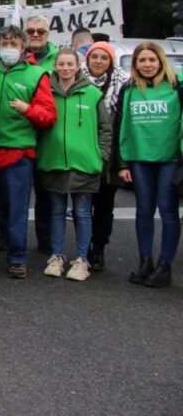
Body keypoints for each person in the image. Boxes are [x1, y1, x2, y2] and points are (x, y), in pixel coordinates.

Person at [0, 25, 57, 278]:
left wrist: (27, 110)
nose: (9, 48)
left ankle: (17, 258)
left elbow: (48, 116)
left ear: (23, 47)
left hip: (18, 153)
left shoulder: (37, 75)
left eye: (14, 44)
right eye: (5, 43)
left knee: (16, 211)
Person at [38, 49, 112, 282]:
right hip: (54, 160)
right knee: (57, 210)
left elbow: (105, 128)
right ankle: (57, 255)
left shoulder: (92, 93)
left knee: (82, 212)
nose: (66, 68)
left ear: (78, 65)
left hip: (85, 162)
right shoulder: (46, 91)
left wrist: (102, 155)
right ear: (56, 65)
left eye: (70, 64)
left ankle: (81, 259)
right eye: (61, 64)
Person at [116, 42, 183, 288]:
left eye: (151, 60)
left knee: (168, 211)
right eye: (142, 60)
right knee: (143, 211)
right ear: (135, 65)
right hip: (139, 159)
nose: (147, 65)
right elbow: (120, 126)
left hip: (170, 160)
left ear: (160, 61)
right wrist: (122, 163)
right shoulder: (129, 89)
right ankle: (146, 261)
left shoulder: (177, 86)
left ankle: (165, 265)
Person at [81, 41, 129, 271]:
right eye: (94, 56)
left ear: (111, 62)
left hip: (108, 155)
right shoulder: (76, 80)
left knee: (103, 206)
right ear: (87, 59)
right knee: (81, 205)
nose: (98, 61)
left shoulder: (123, 85)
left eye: (104, 57)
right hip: (81, 150)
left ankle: (98, 247)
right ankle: (82, 249)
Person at [23, 15, 58, 253]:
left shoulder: (61, 60)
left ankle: (46, 238)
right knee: (17, 191)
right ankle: (8, 234)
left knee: (47, 192)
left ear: (48, 33)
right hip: (22, 134)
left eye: (41, 31)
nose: (35, 35)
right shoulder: (18, 57)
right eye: (31, 31)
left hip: (50, 135)